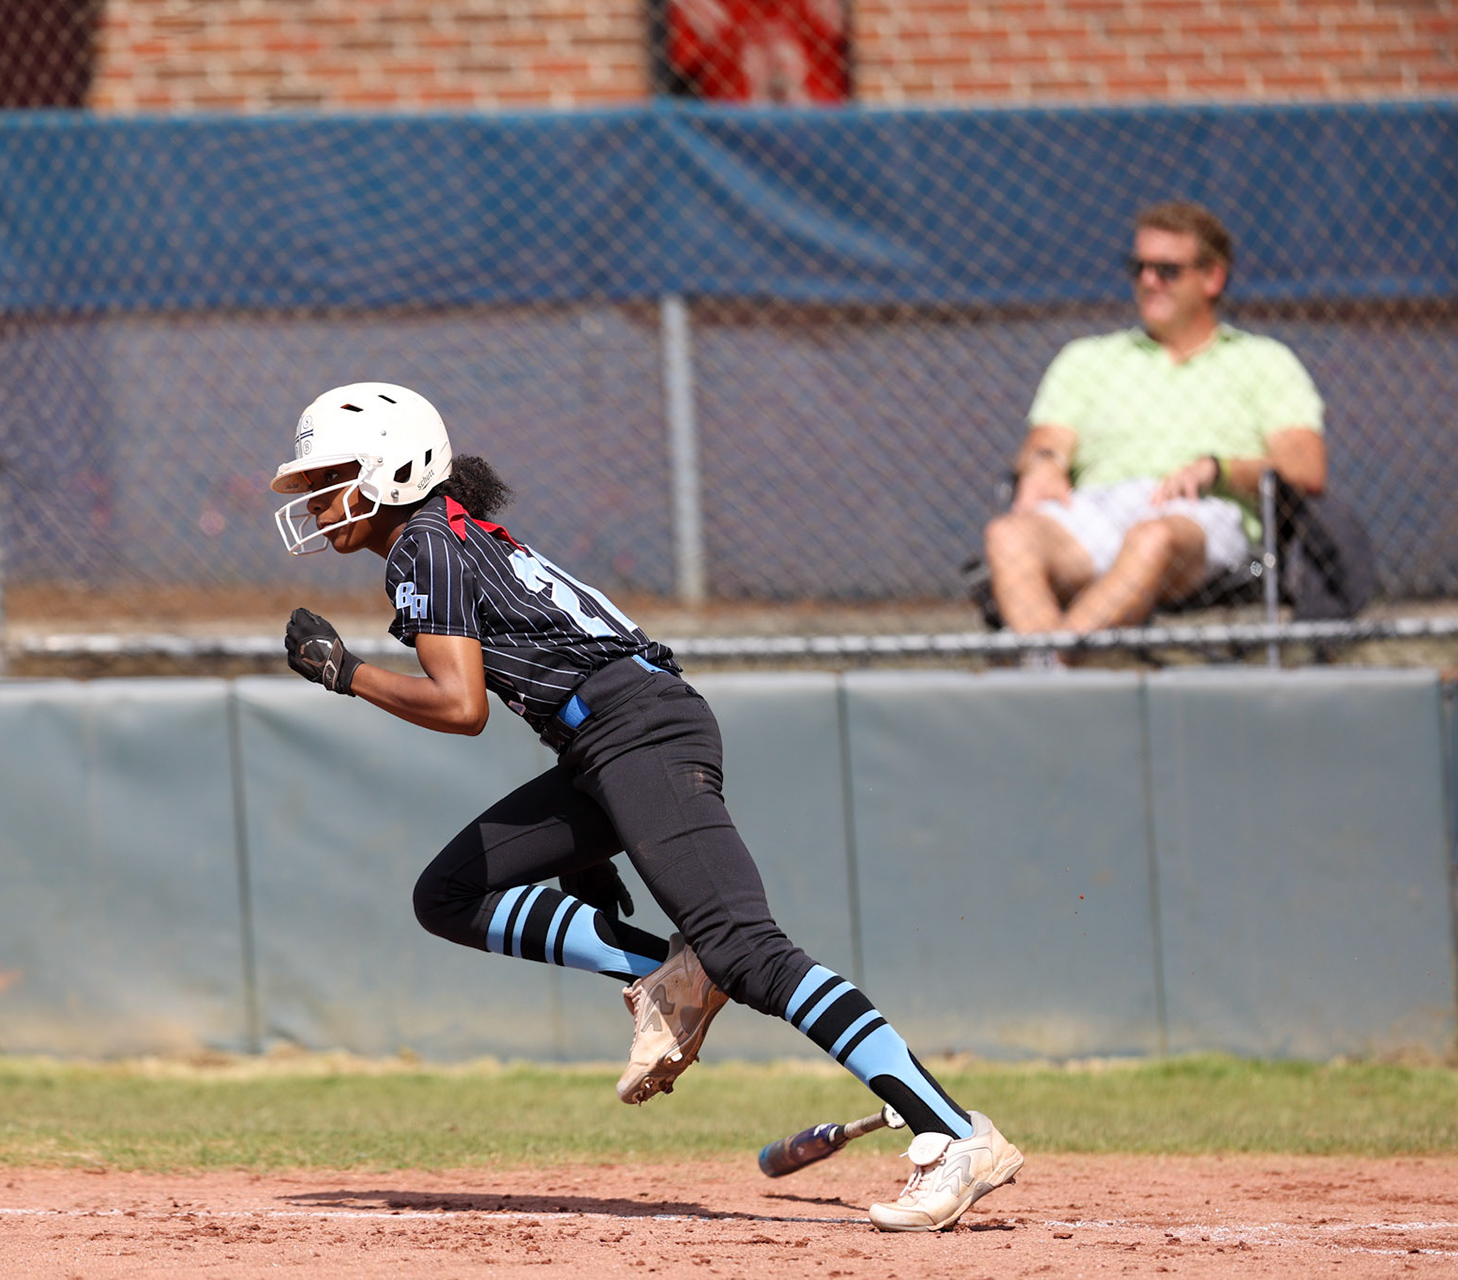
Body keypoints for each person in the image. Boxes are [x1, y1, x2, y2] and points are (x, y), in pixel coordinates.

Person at [271, 381, 1023, 1232]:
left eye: (329, 475)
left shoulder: (423, 547)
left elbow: (462, 705)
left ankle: (952, 1131)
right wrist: (587, 848)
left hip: (636, 737)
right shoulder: (449, 536)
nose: (315, 499)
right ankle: (661, 972)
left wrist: (348, 676)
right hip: (609, 741)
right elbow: (551, 672)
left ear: (390, 468)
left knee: (748, 950)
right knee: (447, 895)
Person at [984, 201, 1327, 634]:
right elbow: (1045, 441)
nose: (1148, 281)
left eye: (1166, 270)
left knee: (1152, 536)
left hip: (1203, 519)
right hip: (1097, 510)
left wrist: (1218, 469)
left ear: (1212, 278)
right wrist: (1044, 464)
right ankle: (1057, 673)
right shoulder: (1085, 359)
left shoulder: (1265, 362)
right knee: (1007, 536)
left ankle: (1050, 670)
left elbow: (1305, 470)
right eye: (1138, 267)